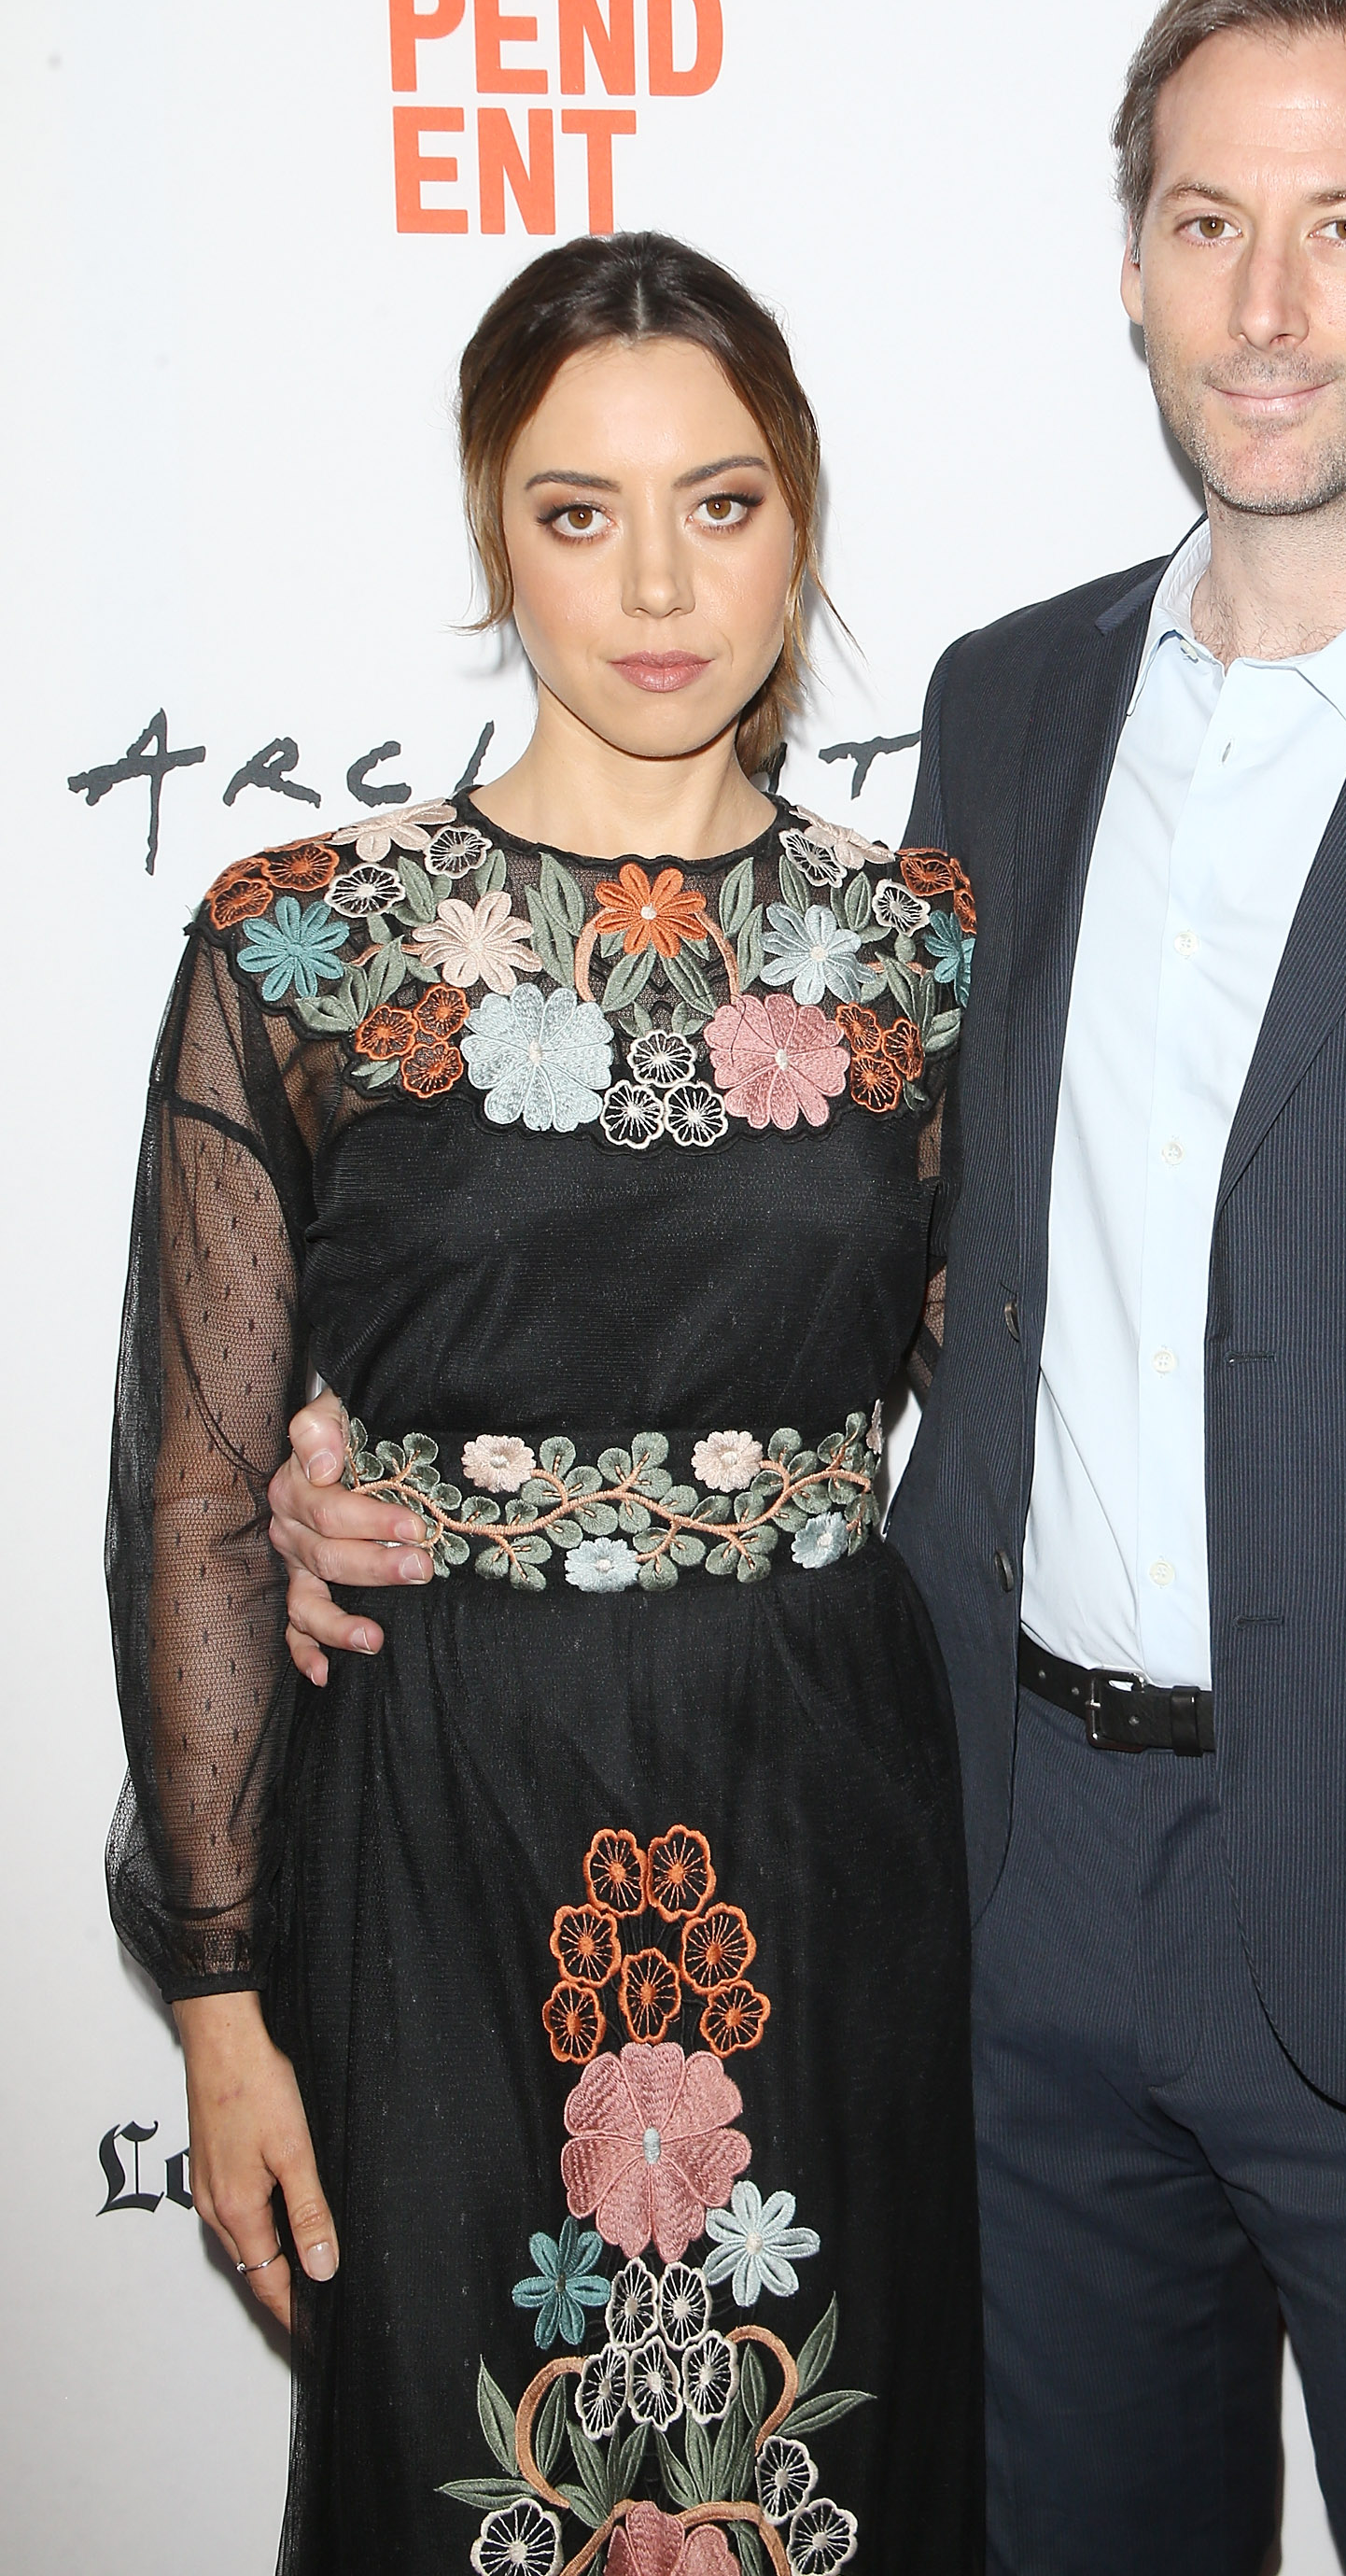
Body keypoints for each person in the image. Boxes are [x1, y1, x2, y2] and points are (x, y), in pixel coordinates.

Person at [267, 0, 1346, 2576]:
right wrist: (385, 1451)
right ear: (1131, 260)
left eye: (1343, 225)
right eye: (1204, 222)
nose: (1264, 305)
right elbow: (834, 1251)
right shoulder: (1006, 707)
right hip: (996, 1904)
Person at [105, 232, 983, 2576]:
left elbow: (998, 1400)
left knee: (835, 2482)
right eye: (579, 512)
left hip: (827, 1816)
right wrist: (216, 2001)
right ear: (494, 532)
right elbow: (193, 1489)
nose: (659, 583)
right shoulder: (302, 943)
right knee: (462, 2475)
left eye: (721, 501)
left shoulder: (914, 953)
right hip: (435, 1824)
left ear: (799, 519)